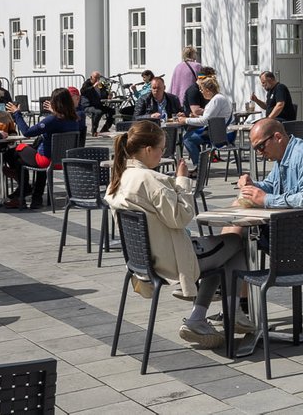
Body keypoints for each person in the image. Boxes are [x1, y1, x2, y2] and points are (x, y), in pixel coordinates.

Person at [104, 120, 249, 348]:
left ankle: (212, 316)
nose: (163, 153)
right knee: (235, 242)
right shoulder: (150, 180)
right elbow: (182, 217)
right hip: (172, 261)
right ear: (148, 149)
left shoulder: (121, 177)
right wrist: (182, 180)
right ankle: (230, 313)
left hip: (143, 261)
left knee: (220, 254)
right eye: (162, 148)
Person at [234, 118, 303, 260]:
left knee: (239, 239)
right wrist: (252, 186)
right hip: (295, 229)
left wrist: (266, 199)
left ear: (277, 137)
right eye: (256, 149)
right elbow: (270, 185)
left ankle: (215, 265)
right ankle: (220, 269)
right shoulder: (282, 156)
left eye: (261, 147)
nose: (259, 153)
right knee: (237, 235)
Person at [6, 88, 85, 209]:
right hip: (63, 161)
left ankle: (24, 188)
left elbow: (27, 132)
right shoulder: (74, 119)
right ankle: (35, 198)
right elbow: (60, 121)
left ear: (54, 102)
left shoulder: (52, 120)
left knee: (16, 151)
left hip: (45, 160)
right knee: (32, 160)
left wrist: (17, 113)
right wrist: (54, 112)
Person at [181, 73, 235, 169]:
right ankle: (199, 165)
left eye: (202, 90)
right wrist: (192, 117)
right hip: (224, 132)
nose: (201, 92)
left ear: (208, 90)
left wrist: (185, 120)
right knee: (191, 135)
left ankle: (199, 167)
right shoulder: (220, 98)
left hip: (221, 136)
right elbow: (210, 117)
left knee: (187, 138)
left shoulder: (216, 100)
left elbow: (204, 121)